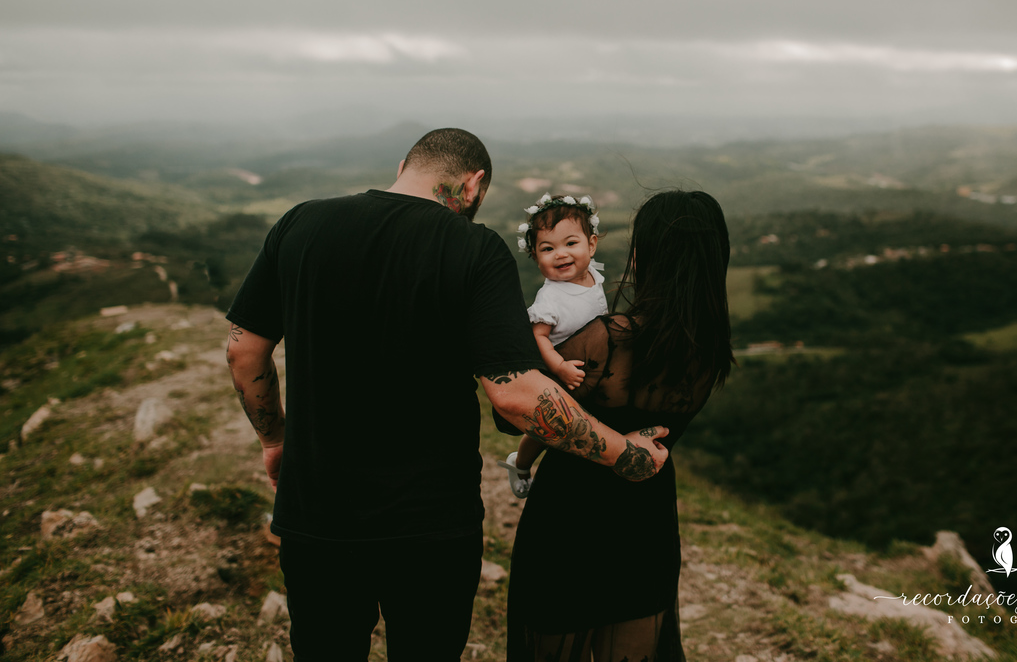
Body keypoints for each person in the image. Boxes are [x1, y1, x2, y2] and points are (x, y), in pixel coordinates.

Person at [223, 128, 670, 661]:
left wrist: (275, 440)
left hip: (315, 515)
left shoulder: (300, 223)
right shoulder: (473, 247)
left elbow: (244, 352)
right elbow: (516, 396)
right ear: (474, 184)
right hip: (430, 524)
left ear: (404, 166)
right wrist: (626, 454)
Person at [499, 190, 736, 662]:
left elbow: (516, 415)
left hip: (570, 517)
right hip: (646, 518)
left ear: (643, 254)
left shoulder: (608, 338)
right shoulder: (709, 349)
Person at [499, 192, 608, 498]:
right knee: (546, 430)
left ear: (592, 245)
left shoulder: (592, 278)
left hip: (587, 368)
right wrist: (559, 367)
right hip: (557, 371)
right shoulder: (551, 298)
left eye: (570, 243)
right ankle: (519, 463)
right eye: (548, 248)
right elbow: (538, 337)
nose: (560, 254)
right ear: (535, 257)